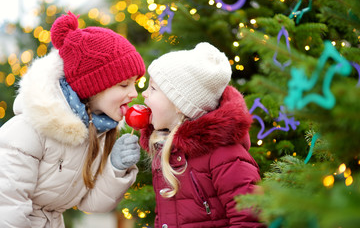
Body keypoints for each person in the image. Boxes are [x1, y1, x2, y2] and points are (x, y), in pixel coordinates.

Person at [0, 12, 145, 227]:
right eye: (124, 85)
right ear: (93, 86)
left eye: (135, 83)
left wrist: (115, 168)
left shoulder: (99, 129)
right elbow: (7, 204)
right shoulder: (27, 131)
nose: (134, 93)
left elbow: (90, 204)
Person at [140, 42, 266, 228]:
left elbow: (251, 218)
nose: (144, 94)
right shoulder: (167, 151)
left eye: (153, 89)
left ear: (179, 104)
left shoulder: (225, 155)